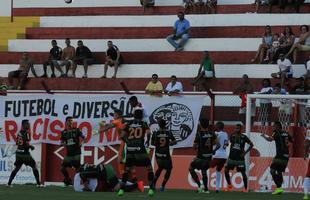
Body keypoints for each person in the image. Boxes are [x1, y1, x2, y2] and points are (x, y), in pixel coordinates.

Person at [117, 109, 155, 197]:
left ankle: (121, 190)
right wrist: (147, 141)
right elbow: (149, 133)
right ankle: (151, 190)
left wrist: (127, 142)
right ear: (141, 116)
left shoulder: (128, 124)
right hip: (140, 149)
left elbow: (122, 135)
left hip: (130, 149)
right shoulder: (144, 123)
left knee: (126, 169)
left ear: (134, 115)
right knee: (149, 168)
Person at [261, 121, 293, 195]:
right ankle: (279, 189)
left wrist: (264, 136)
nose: (273, 127)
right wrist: (288, 145)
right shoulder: (286, 133)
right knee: (279, 172)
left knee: (272, 170)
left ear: (278, 126)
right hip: (286, 156)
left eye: (274, 126)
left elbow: (270, 139)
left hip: (279, 155)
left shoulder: (276, 132)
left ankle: (278, 187)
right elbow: (291, 141)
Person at [7, 120, 42, 187]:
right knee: (34, 166)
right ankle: (38, 184)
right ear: (23, 125)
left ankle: (9, 183)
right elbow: (26, 144)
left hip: (18, 153)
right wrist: (31, 146)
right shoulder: (27, 133)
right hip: (25, 154)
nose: (28, 125)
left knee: (17, 168)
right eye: (27, 124)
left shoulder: (19, 133)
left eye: (28, 124)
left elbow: (17, 143)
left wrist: (27, 146)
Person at [189, 118, 217, 193]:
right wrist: (212, 150)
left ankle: (200, 185)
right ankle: (206, 189)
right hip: (209, 157)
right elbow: (216, 143)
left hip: (200, 157)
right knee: (204, 171)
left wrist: (197, 146)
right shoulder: (212, 133)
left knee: (191, 168)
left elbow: (194, 146)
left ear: (201, 124)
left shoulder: (199, 134)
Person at [74, 163, 144, 192]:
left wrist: (86, 187)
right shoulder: (84, 166)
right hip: (105, 167)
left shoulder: (82, 174)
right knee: (115, 187)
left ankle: (137, 184)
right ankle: (135, 184)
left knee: (117, 188)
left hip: (106, 172)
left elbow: (85, 185)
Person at [224, 124, 254, 193]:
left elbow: (251, 145)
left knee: (243, 173)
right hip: (231, 158)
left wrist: (245, 153)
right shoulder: (232, 135)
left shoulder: (244, 137)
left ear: (241, 129)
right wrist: (227, 144)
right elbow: (230, 144)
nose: (236, 129)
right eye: (235, 128)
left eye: (237, 128)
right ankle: (229, 185)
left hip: (240, 159)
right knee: (226, 170)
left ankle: (246, 189)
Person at [151, 119, 177, 192]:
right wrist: (170, 143)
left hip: (158, 155)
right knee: (169, 169)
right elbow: (174, 141)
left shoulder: (155, 133)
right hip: (166, 155)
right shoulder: (168, 133)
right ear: (165, 125)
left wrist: (157, 144)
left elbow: (152, 143)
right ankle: (162, 187)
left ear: (159, 125)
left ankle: (153, 184)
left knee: (160, 168)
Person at [60, 116, 85, 186]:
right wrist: (63, 144)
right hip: (69, 154)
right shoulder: (63, 132)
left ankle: (82, 183)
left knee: (78, 168)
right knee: (62, 168)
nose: (70, 122)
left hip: (77, 152)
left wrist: (81, 143)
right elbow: (61, 142)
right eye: (69, 120)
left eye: (71, 121)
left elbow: (83, 137)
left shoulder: (77, 130)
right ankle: (68, 180)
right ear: (66, 122)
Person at [210, 121, 228, 193]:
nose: (215, 127)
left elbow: (214, 143)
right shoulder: (226, 134)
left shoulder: (217, 134)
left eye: (216, 126)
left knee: (205, 166)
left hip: (217, 155)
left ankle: (202, 185)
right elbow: (226, 144)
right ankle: (217, 188)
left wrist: (213, 150)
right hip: (224, 156)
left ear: (218, 127)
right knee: (218, 171)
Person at [304, 130, 310, 200]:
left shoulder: (308, 131)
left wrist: (305, 153)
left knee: (308, 176)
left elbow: (307, 144)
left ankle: (305, 194)